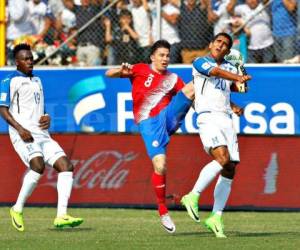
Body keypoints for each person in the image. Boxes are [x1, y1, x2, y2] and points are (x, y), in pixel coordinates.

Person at [105, 40, 194, 233]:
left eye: (168, 55)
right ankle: (163, 210)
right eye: (161, 55)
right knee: (160, 165)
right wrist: (121, 69)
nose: (165, 59)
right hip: (149, 123)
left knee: (193, 87)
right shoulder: (139, 69)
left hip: (168, 117)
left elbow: (188, 96)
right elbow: (109, 74)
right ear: (152, 57)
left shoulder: (173, 78)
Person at [0, 44, 83, 232]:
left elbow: (39, 108)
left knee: (66, 166)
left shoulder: (37, 80)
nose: (30, 61)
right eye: (25, 59)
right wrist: (20, 129)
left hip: (41, 134)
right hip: (22, 134)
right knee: (37, 165)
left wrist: (46, 117)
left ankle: (61, 216)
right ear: (17, 62)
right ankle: (17, 208)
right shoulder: (9, 80)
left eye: (31, 58)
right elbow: (2, 109)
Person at [180, 33, 251, 238]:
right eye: (218, 41)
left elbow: (238, 88)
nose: (220, 45)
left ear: (228, 51)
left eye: (225, 44)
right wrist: (236, 76)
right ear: (211, 44)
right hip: (208, 117)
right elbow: (216, 73)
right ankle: (192, 196)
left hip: (226, 119)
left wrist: (240, 74)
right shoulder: (200, 62)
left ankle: (216, 216)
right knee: (222, 158)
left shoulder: (228, 69)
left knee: (230, 168)